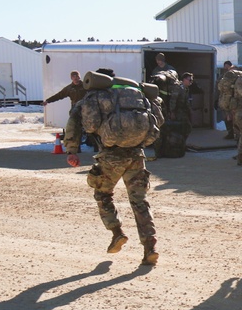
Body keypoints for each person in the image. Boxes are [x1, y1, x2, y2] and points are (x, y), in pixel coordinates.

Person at [63, 68, 161, 267]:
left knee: (102, 193)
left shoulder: (96, 96)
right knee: (140, 201)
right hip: (136, 154)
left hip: (111, 155)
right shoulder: (135, 95)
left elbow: (78, 122)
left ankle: (117, 232)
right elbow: (158, 120)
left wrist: (72, 149)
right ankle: (150, 248)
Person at [46, 70, 96, 150]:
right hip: (76, 111)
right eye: (74, 77)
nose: (76, 78)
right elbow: (59, 95)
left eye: (77, 76)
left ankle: (96, 147)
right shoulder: (69, 88)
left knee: (91, 129)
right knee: (76, 130)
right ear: (71, 78)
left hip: (87, 110)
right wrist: (47, 101)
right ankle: (77, 148)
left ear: (79, 77)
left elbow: (94, 93)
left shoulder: (86, 86)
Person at [216, 60, 235, 139]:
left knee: (234, 118)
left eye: (228, 67)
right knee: (226, 118)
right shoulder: (222, 77)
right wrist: (216, 99)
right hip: (224, 101)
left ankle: (236, 133)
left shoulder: (235, 76)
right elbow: (217, 89)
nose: (226, 68)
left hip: (233, 101)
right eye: (225, 67)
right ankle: (230, 132)